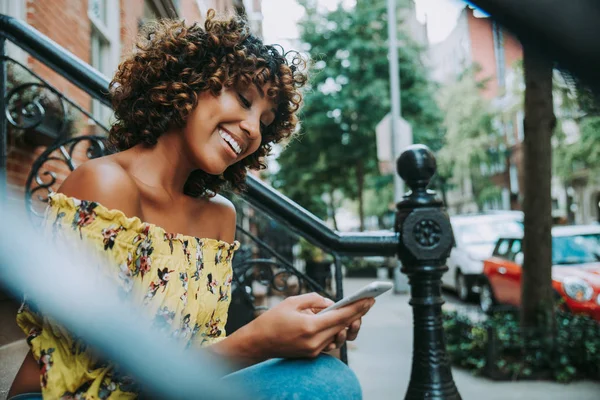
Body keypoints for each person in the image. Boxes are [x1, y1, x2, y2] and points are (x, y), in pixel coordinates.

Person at [8, 10, 372, 400]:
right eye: (243, 98)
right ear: (190, 82)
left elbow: (201, 356)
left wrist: (301, 336)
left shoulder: (219, 216)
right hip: (67, 394)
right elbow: (100, 379)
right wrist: (258, 342)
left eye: (265, 123)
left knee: (326, 377)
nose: (252, 129)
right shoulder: (103, 184)